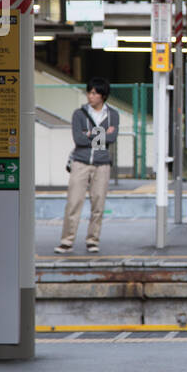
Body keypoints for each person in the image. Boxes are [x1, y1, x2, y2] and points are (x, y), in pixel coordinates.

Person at [56, 77, 119, 253]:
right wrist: (100, 134)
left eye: (94, 93)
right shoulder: (79, 114)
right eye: (89, 92)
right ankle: (67, 240)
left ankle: (93, 240)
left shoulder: (113, 114)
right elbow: (78, 139)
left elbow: (112, 138)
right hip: (80, 162)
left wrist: (89, 133)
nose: (90, 96)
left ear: (103, 95)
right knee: (74, 202)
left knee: (98, 203)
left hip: (102, 164)